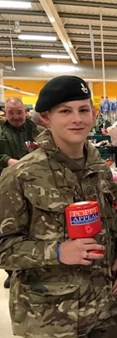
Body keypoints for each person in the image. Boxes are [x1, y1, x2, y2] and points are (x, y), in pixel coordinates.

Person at [0, 75, 117, 338]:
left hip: (103, 312)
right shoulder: (21, 176)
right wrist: (57, 252)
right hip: (53, 322)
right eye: (65, 111)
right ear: (45, 118)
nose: (77, 119)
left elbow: (110, 224)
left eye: (84, 110)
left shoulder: (99, 169)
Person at [0, 97, 44, 288]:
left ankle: (33, 266)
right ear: (5, 113)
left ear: (25, 111)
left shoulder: (37, 130)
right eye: (12, 113)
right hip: (7, 185)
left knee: (32, 223)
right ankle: (12, 271)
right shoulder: (1, 132)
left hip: (36, 185)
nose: (16, 117)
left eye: (19, 112)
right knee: (10, 226)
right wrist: (7, 161)